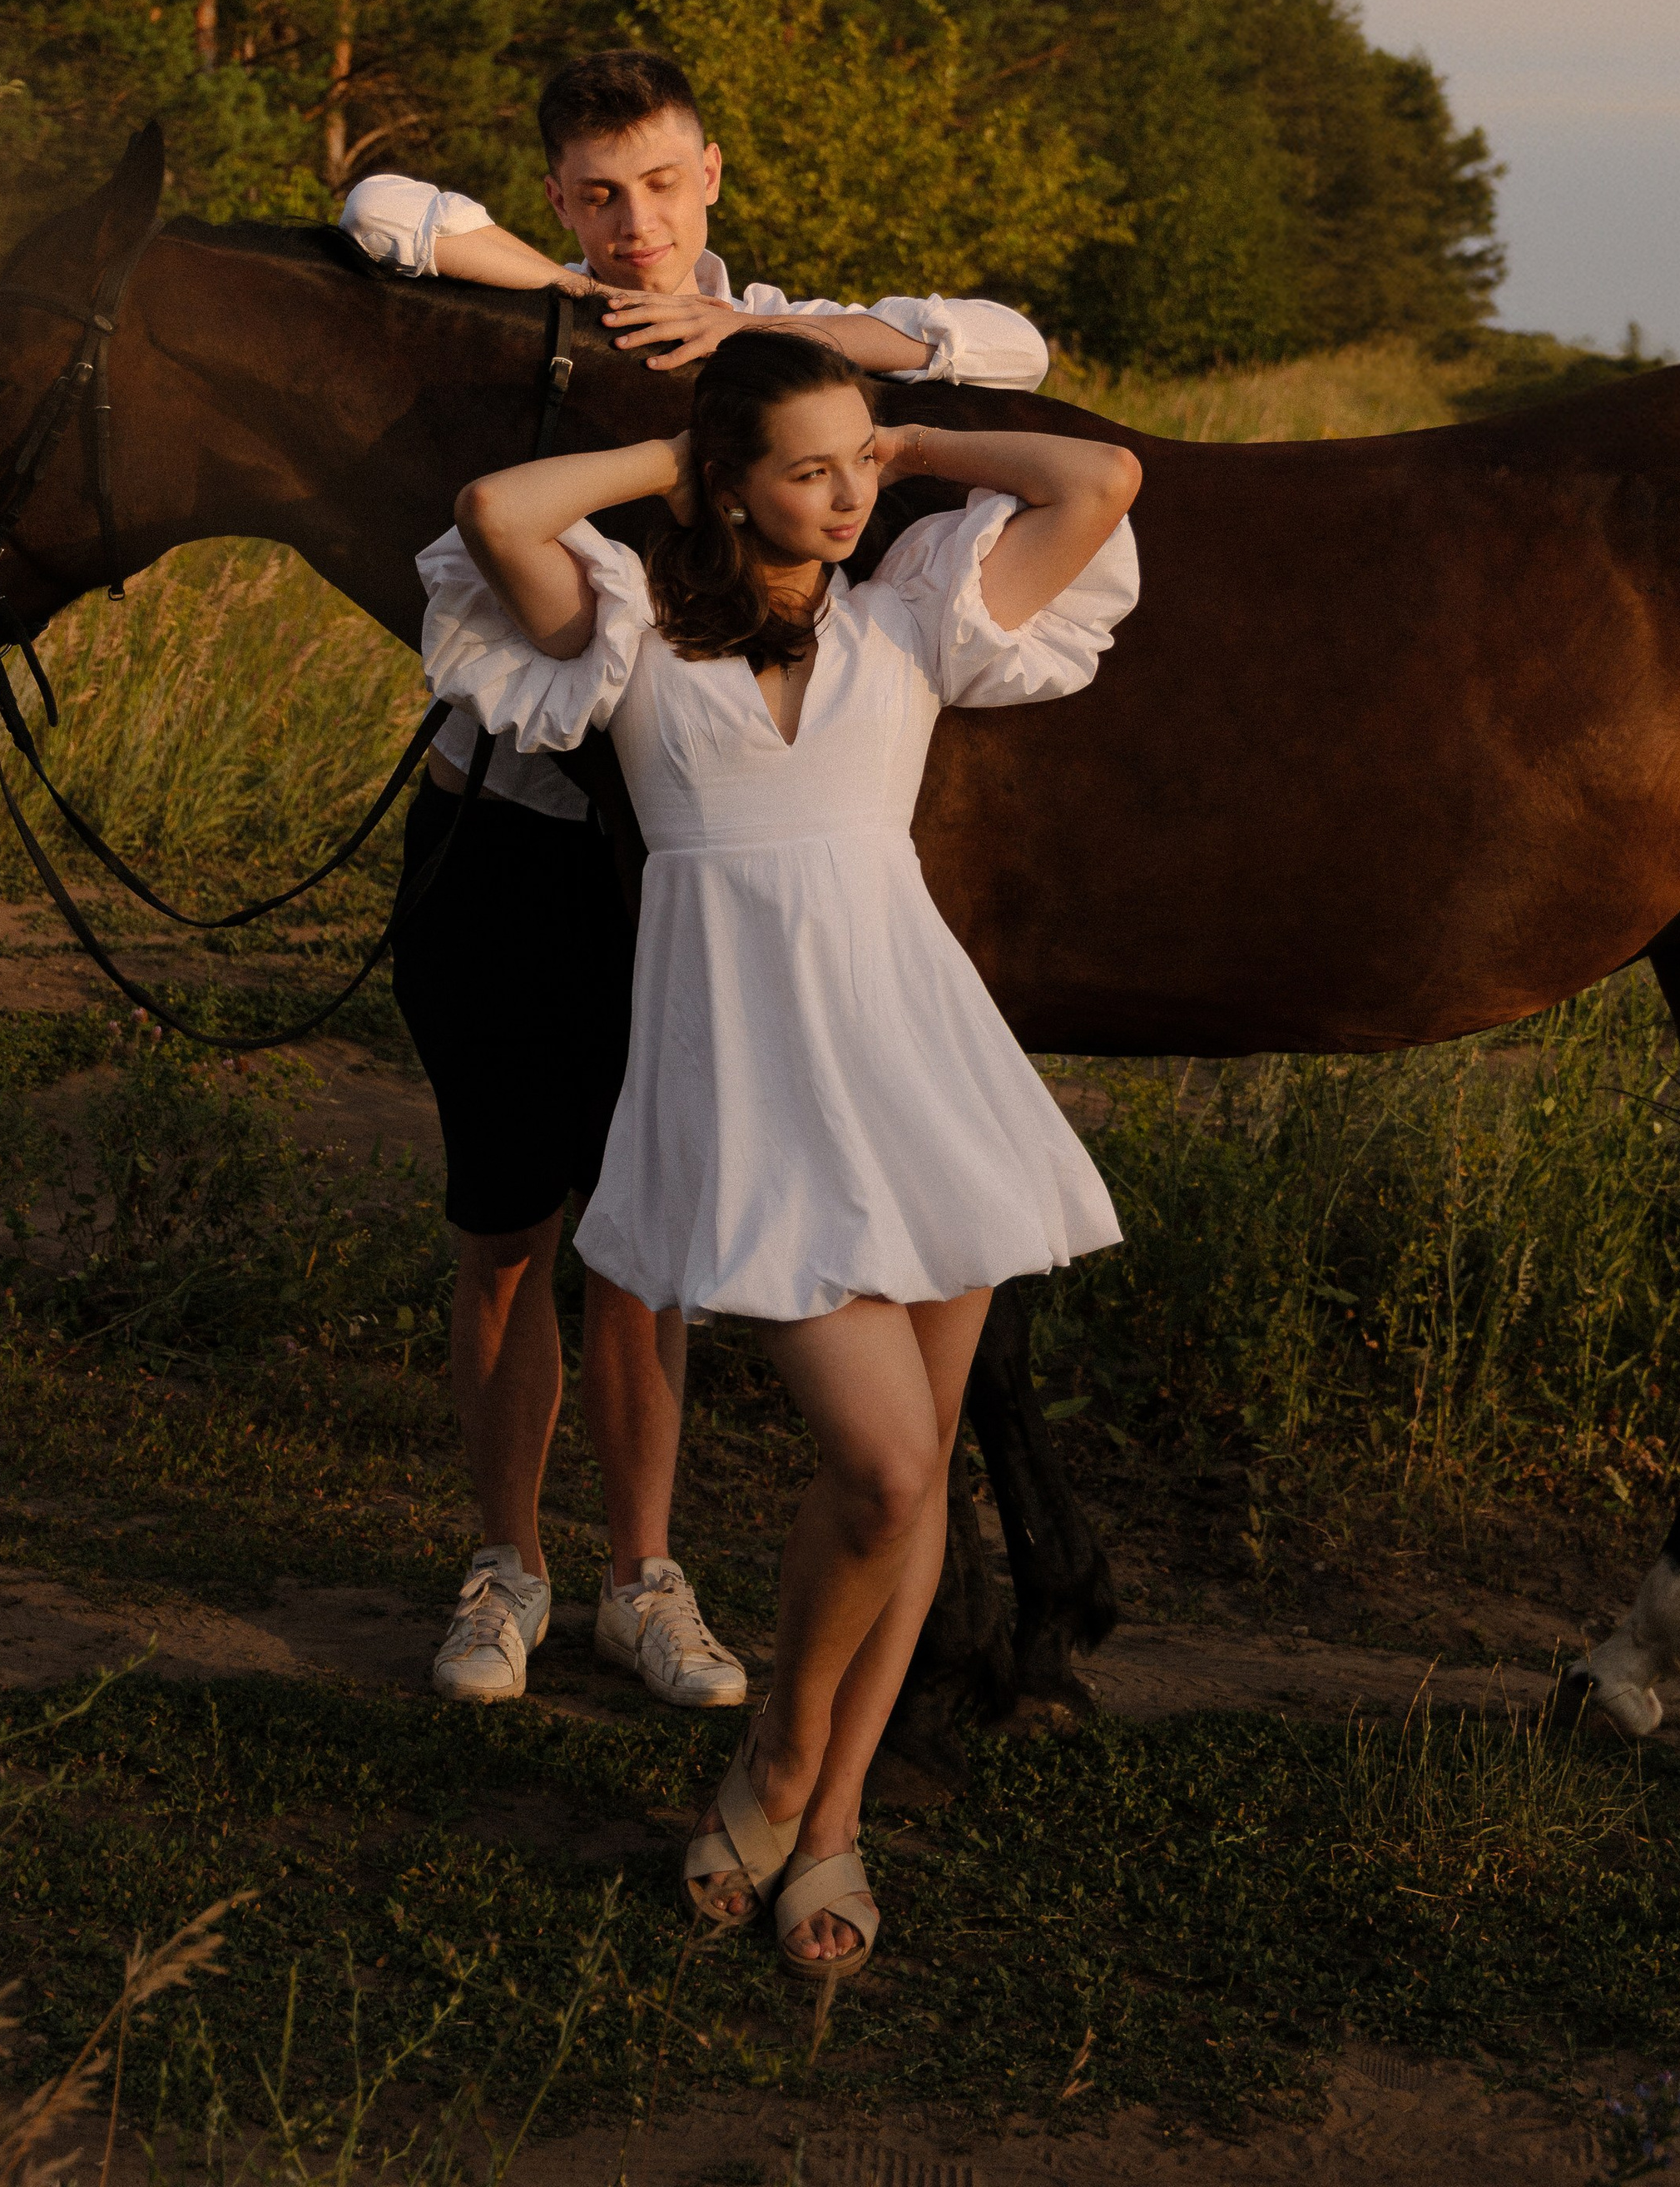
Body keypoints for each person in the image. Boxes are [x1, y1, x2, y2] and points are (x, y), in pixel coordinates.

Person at [418, 329, 1139, 1975]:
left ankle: (825, 1826)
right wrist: (666, 461)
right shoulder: (630, 639)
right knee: (880, 1470)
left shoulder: (908, 615)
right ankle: (779, 1757)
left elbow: (1098, 479)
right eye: (803, 469)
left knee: (919, 1479)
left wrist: (912, 442)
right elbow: (496, 508)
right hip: (748, 1097)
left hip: (921, 1076)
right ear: (723, 481)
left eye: (853, 465)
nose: (840, 494)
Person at [340, 54, 1053, 1712]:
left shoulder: (782, 349)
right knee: (504, 1225)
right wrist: (568, 289)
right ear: (557, 196)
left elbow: (1013, 343)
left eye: (659, 185)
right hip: (507, 831)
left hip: (687, 867)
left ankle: (639, 1578)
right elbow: (377, 212)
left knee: (646, 1239)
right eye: (594, 191)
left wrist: (755, 350)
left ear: (713, 174)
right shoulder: (521, 311)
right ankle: (502, 1566)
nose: (634, 221)